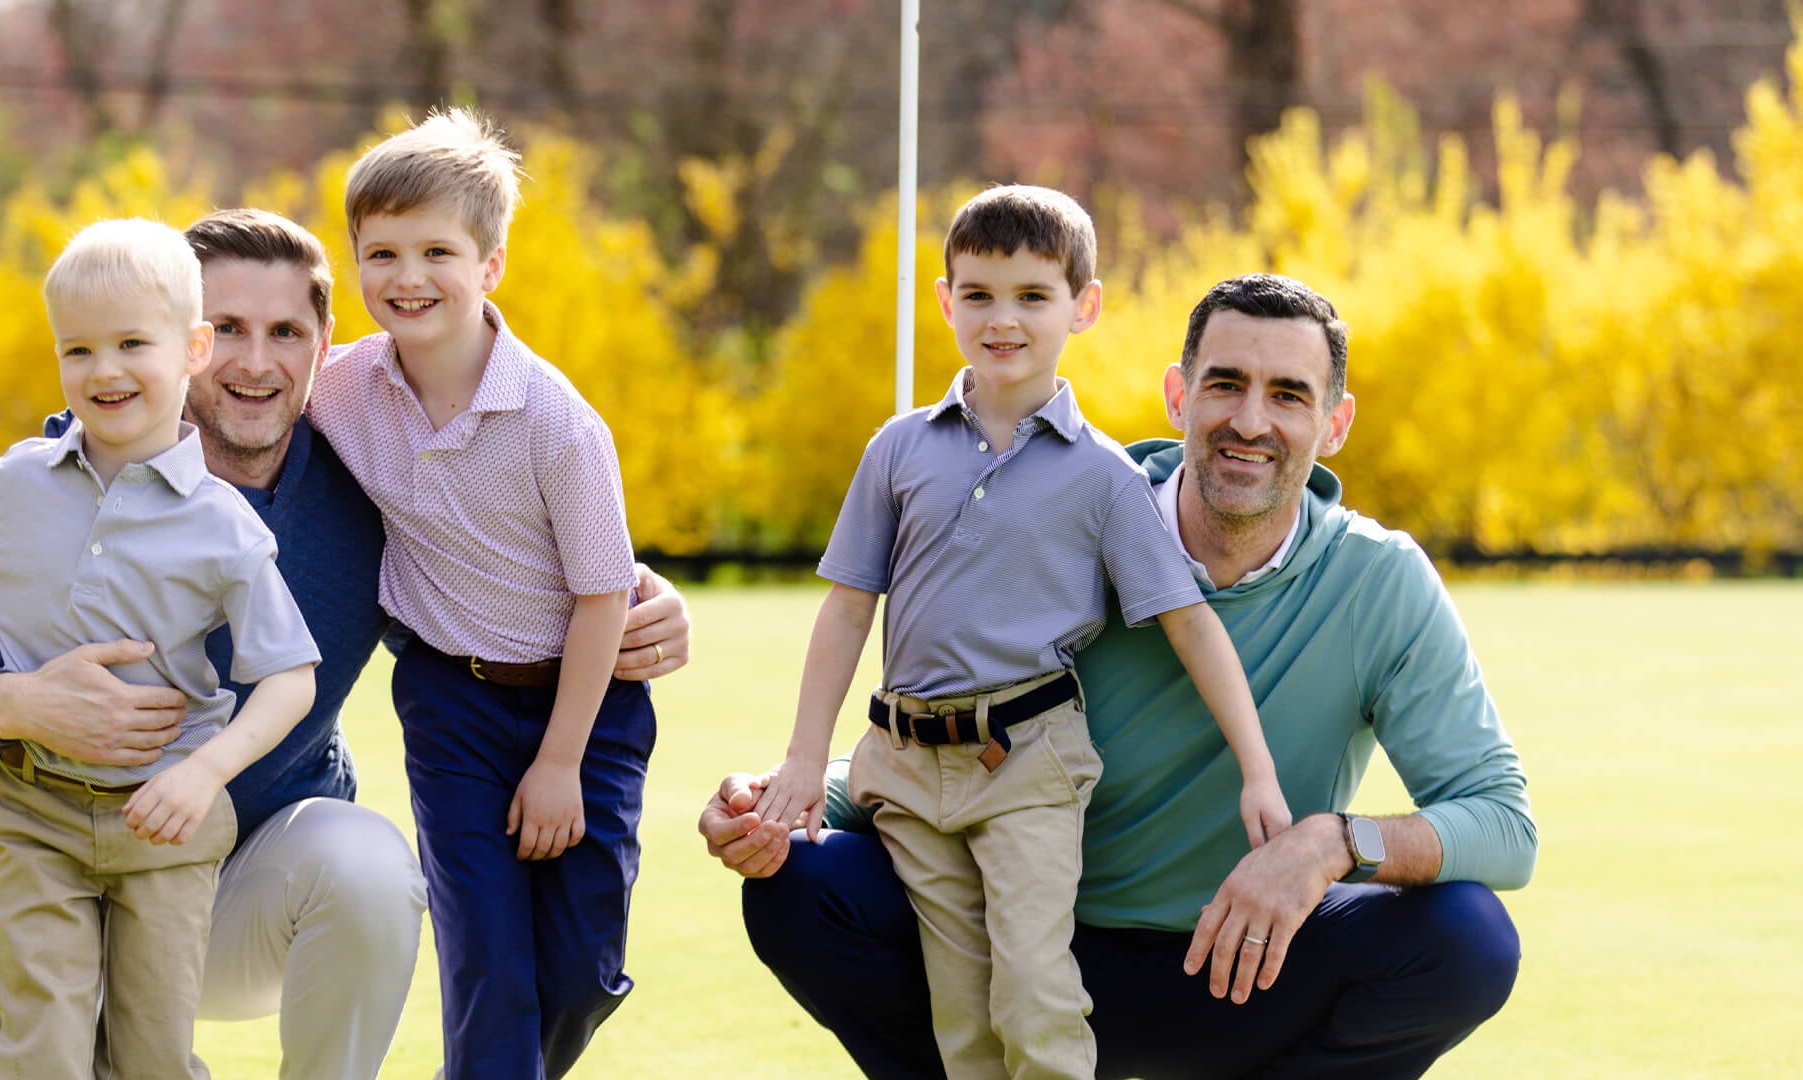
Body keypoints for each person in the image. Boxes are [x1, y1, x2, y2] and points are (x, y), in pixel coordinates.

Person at [0, 207, 693, 1079]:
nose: (255, 363)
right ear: (185, 340)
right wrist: (16, 701)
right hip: (72, 884)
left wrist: (638, 598)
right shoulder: (70, 476)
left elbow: (495, 568)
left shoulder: (372, 481)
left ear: (327, 345)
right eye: (226, 329)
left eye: (286, 332)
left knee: (367, 866)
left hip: (249, 884)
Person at [703, 273, 1537, 1078]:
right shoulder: (1071, 507)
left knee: (1468, 939)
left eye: (1287, 394)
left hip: (1244, 967)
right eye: (1225, 385)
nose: (1250, 420)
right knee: (799, 883)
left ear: (1336, 422)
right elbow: (951, 729)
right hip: (1026, 943)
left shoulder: (1379, 579)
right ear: (1178, 396)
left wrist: (1330, 844)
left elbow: (1504, 825)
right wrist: (781, 798)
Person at [753, 186, 1289, 1079]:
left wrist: (1258, 770)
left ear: (1085, 307)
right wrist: (806, 760)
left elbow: (1191, 626)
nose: (1004, 320)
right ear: (944, 301)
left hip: (1029, 766)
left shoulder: (1105, 478)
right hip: (905, 763)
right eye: (980, 296)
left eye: (1033, 297)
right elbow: (849, 608)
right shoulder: (897, 449)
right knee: (960, 1013)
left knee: (1034, 993)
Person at [0, 217, 323, 1078]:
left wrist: (204, 773)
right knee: (39, 1051)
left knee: (149, 1056)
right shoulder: (16, 485)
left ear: (194, 347)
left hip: (163, 831)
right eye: (77, 350)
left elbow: (289, 679)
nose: (105, 370)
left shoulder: (222, 526)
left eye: (132, 343)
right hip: (31, 814)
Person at [304, 106, 650, 1080]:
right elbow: (230, 394)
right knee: (487, 961)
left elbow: (601, 597)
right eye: (381, 254)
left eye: (436, 252)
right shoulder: (338, 388)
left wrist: (560, 762)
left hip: (590, 705)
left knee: (582, 968)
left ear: (491, 265)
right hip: (450, 701)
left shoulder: (556, 422)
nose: (406, 278)